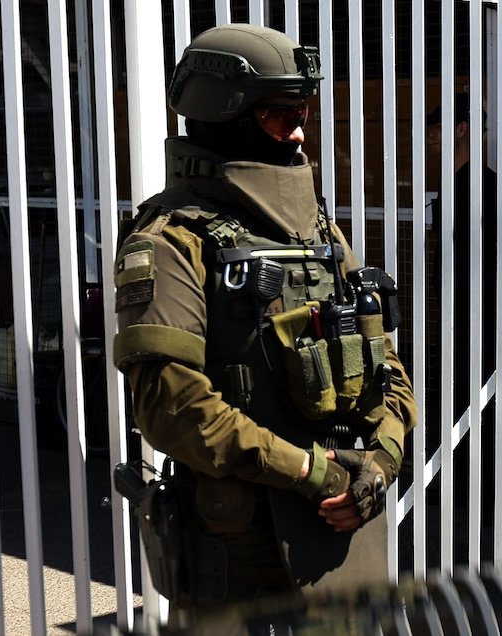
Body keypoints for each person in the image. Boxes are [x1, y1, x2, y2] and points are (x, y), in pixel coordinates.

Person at [111, 23, 418, 624]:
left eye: (302, 113)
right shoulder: (171, 240)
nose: (299, 132)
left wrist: (379, 464)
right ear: (223, 116)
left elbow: (387, 370)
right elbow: (173, 408)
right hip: (239, 561)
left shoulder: (319, 232)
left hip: (339, 542)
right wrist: (312, 471)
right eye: (280, 117)